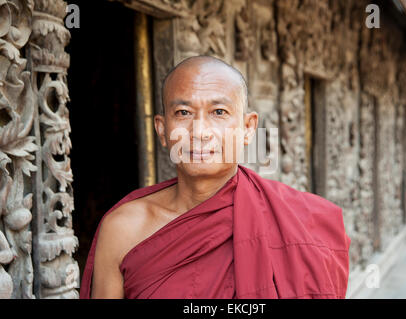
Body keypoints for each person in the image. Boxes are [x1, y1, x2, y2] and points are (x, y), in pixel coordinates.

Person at [80, 55, 351, 299]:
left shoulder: (300, 220)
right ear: (162, 130)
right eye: (183, 113)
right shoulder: (123, 228)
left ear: (248, 128)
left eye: (218, 112)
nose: (199, 131)